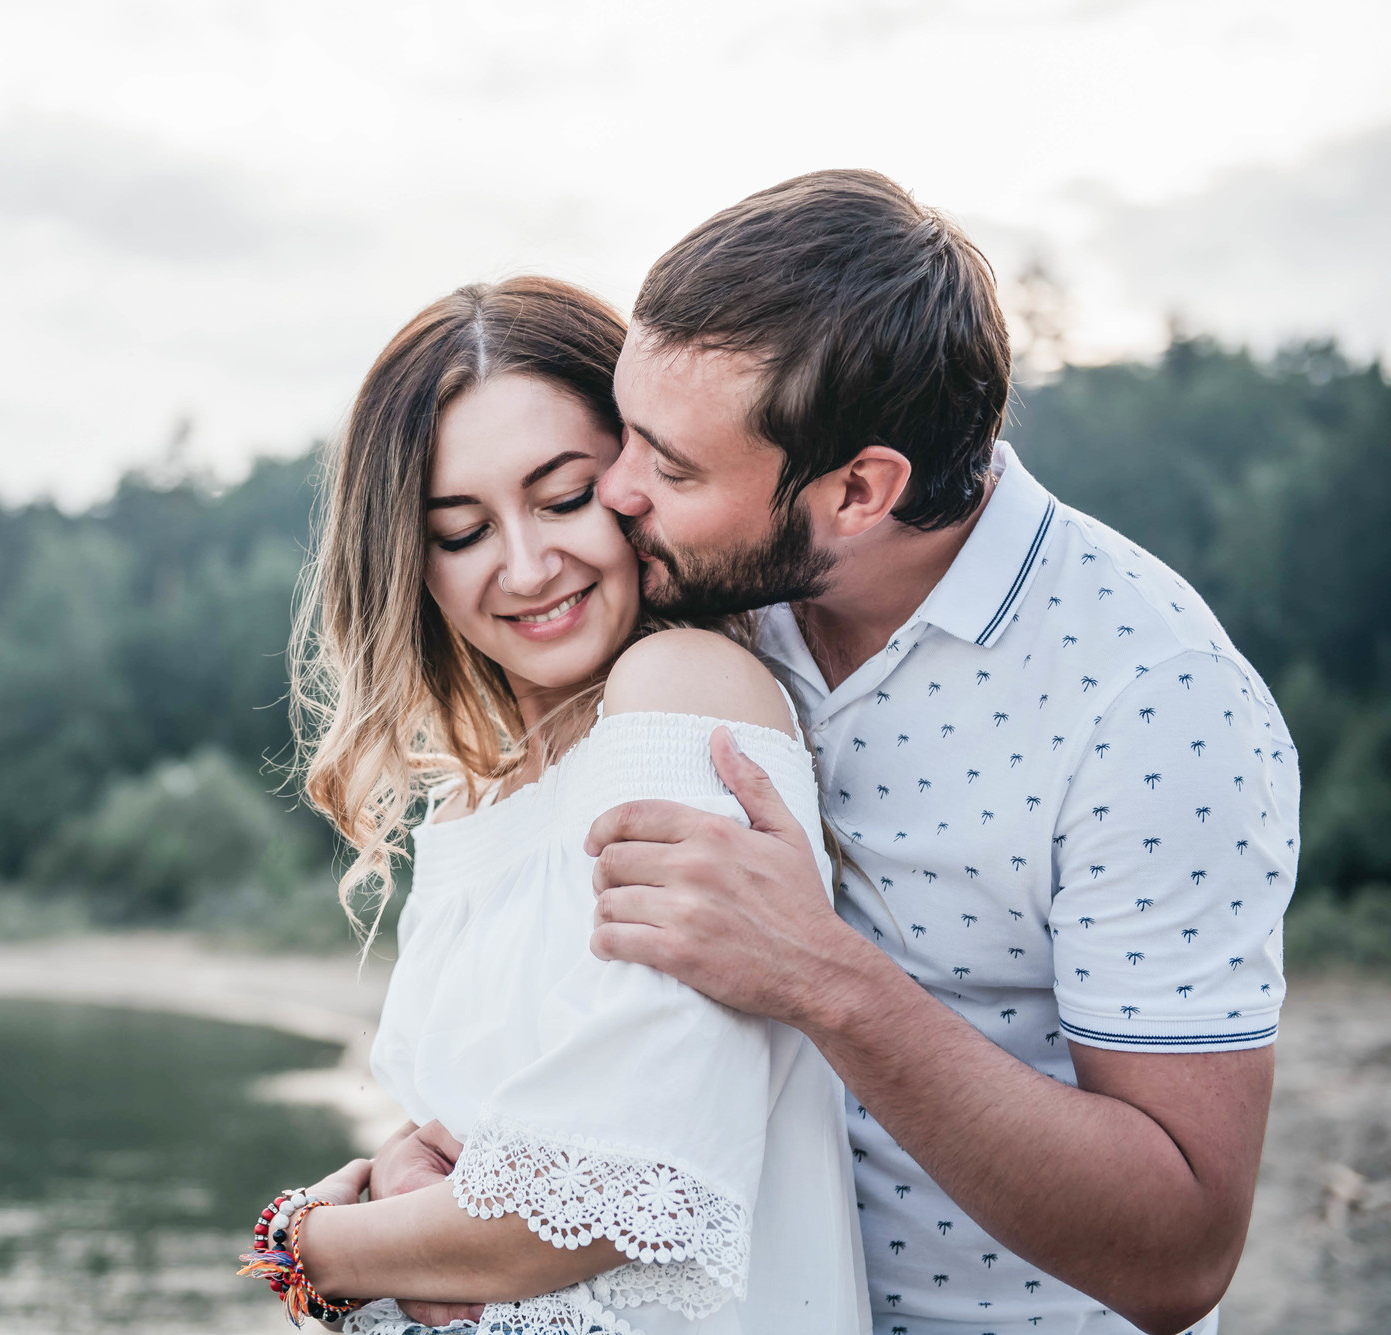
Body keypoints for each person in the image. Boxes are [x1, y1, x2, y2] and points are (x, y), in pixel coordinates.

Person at [581, 170, 1298, 1334]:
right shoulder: (705, 594)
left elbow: (1179, 1251)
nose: (615, 492)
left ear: (859, 491)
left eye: (671, 469)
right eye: (626, 436)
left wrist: (818, 975)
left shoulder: (1154, 704)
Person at [244, 277, 869, 1334]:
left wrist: (305, 1241)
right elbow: (472, 1162)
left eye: (561, 496)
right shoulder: (465, 804)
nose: (526, 567)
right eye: (459, 528)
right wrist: (407, 1178)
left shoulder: (681, 692)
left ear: (638, 478)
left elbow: (607, 1200)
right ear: (411, 562)